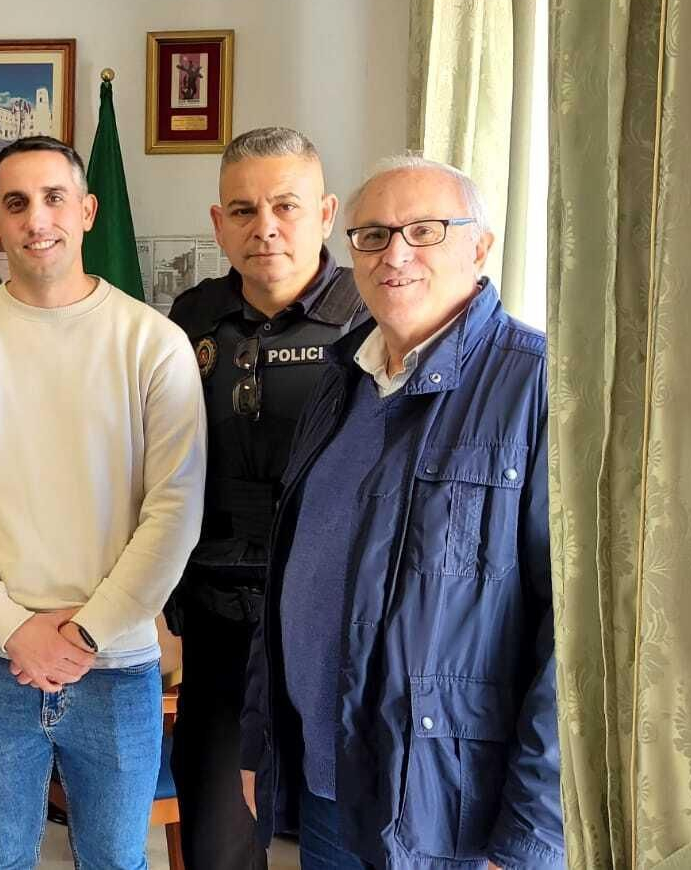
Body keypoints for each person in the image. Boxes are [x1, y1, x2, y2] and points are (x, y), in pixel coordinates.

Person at [240, 156, 561, 869]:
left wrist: (530, 833)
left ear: (479, 247)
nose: (396, 255)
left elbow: (570, 640)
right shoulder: (341, 380)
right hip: (327, 792)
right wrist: (260, 742)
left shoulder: (537, 386)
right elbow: (290, 571)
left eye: (425, 231)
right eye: (374, 235)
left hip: (451, 810)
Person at [0, 136, 206, 869]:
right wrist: (15, 630)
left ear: (87, 210)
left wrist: (85, 635)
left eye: (53, 198)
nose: (36, 218)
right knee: (0, 857)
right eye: (16, 203)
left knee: (115, 860)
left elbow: (175, 509)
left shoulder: (153, 343)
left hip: (118, 661)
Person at [164, 126, 364, 869]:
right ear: (218, 224)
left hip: (327, 625)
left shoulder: (367, 317)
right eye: (243, 211)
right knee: (219, 839)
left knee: (339, 839)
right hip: (217, 621)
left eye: (286, 205)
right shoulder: (192, 317)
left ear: (326, 212)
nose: (266, 227)